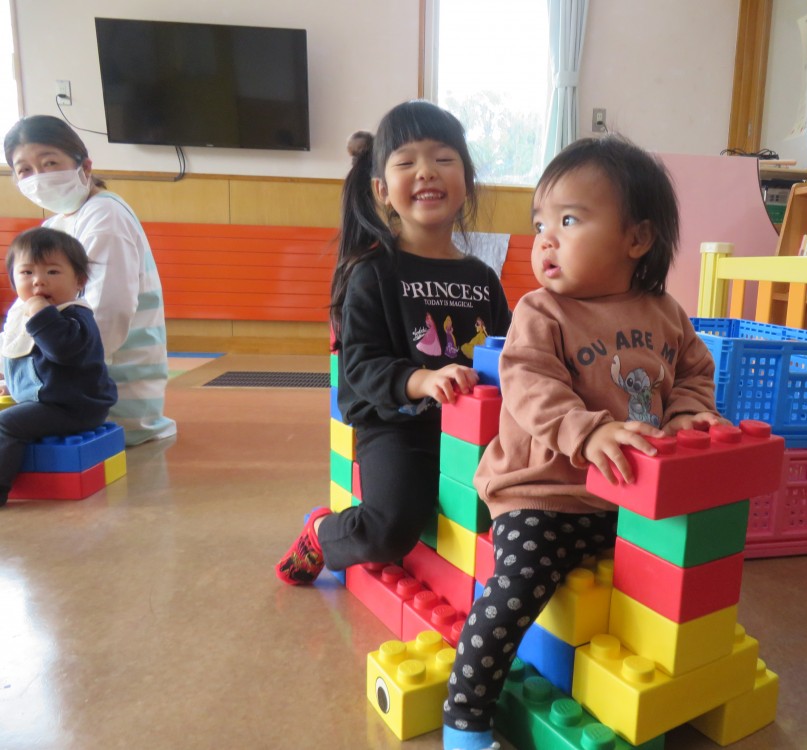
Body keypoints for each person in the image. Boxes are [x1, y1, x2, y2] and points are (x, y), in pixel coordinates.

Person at [441, 135, 727, 750]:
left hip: (630, 498)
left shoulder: (666, 313)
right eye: (540, 224)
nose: (546, 239)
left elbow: (695, 373)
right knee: (513, 592)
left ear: (636, 239)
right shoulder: (540, 312)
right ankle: (466, 715)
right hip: (545, 496)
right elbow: (530, 385)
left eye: (568, 221)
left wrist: (687, 414)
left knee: (685, 579)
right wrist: (588, 429)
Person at [275, 100, 512, 584]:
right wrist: (422, 379)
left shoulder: (483, 278)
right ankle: (323, 531)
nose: (427, 171)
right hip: (397, 425)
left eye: (443, 158)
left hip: (473, 428)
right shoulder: (373, 271)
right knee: (390, 527)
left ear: (466, 181)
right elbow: (361, 365)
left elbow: (507, 352)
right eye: (407, 162)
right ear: (382, 190)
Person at [4, 115, 175, 446]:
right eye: (24, 170)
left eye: (50, 163)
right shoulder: (54, 226)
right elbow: (23, 310)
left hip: (97, 396)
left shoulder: (105, 215)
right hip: (55, 380)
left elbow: (107, 316)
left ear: (84, 166)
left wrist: (55, 378)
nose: (39, 178)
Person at [0, 227, 117, 506]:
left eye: (52, 272)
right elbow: (21, 355)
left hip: (76, 408)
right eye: (27, 273)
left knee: (5, 425)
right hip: (47, 402)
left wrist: (40, 314)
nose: (39, 281)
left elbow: (60, 350)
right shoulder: (22, 313)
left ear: (79, 281)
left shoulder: (75, 317)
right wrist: (10, 382)